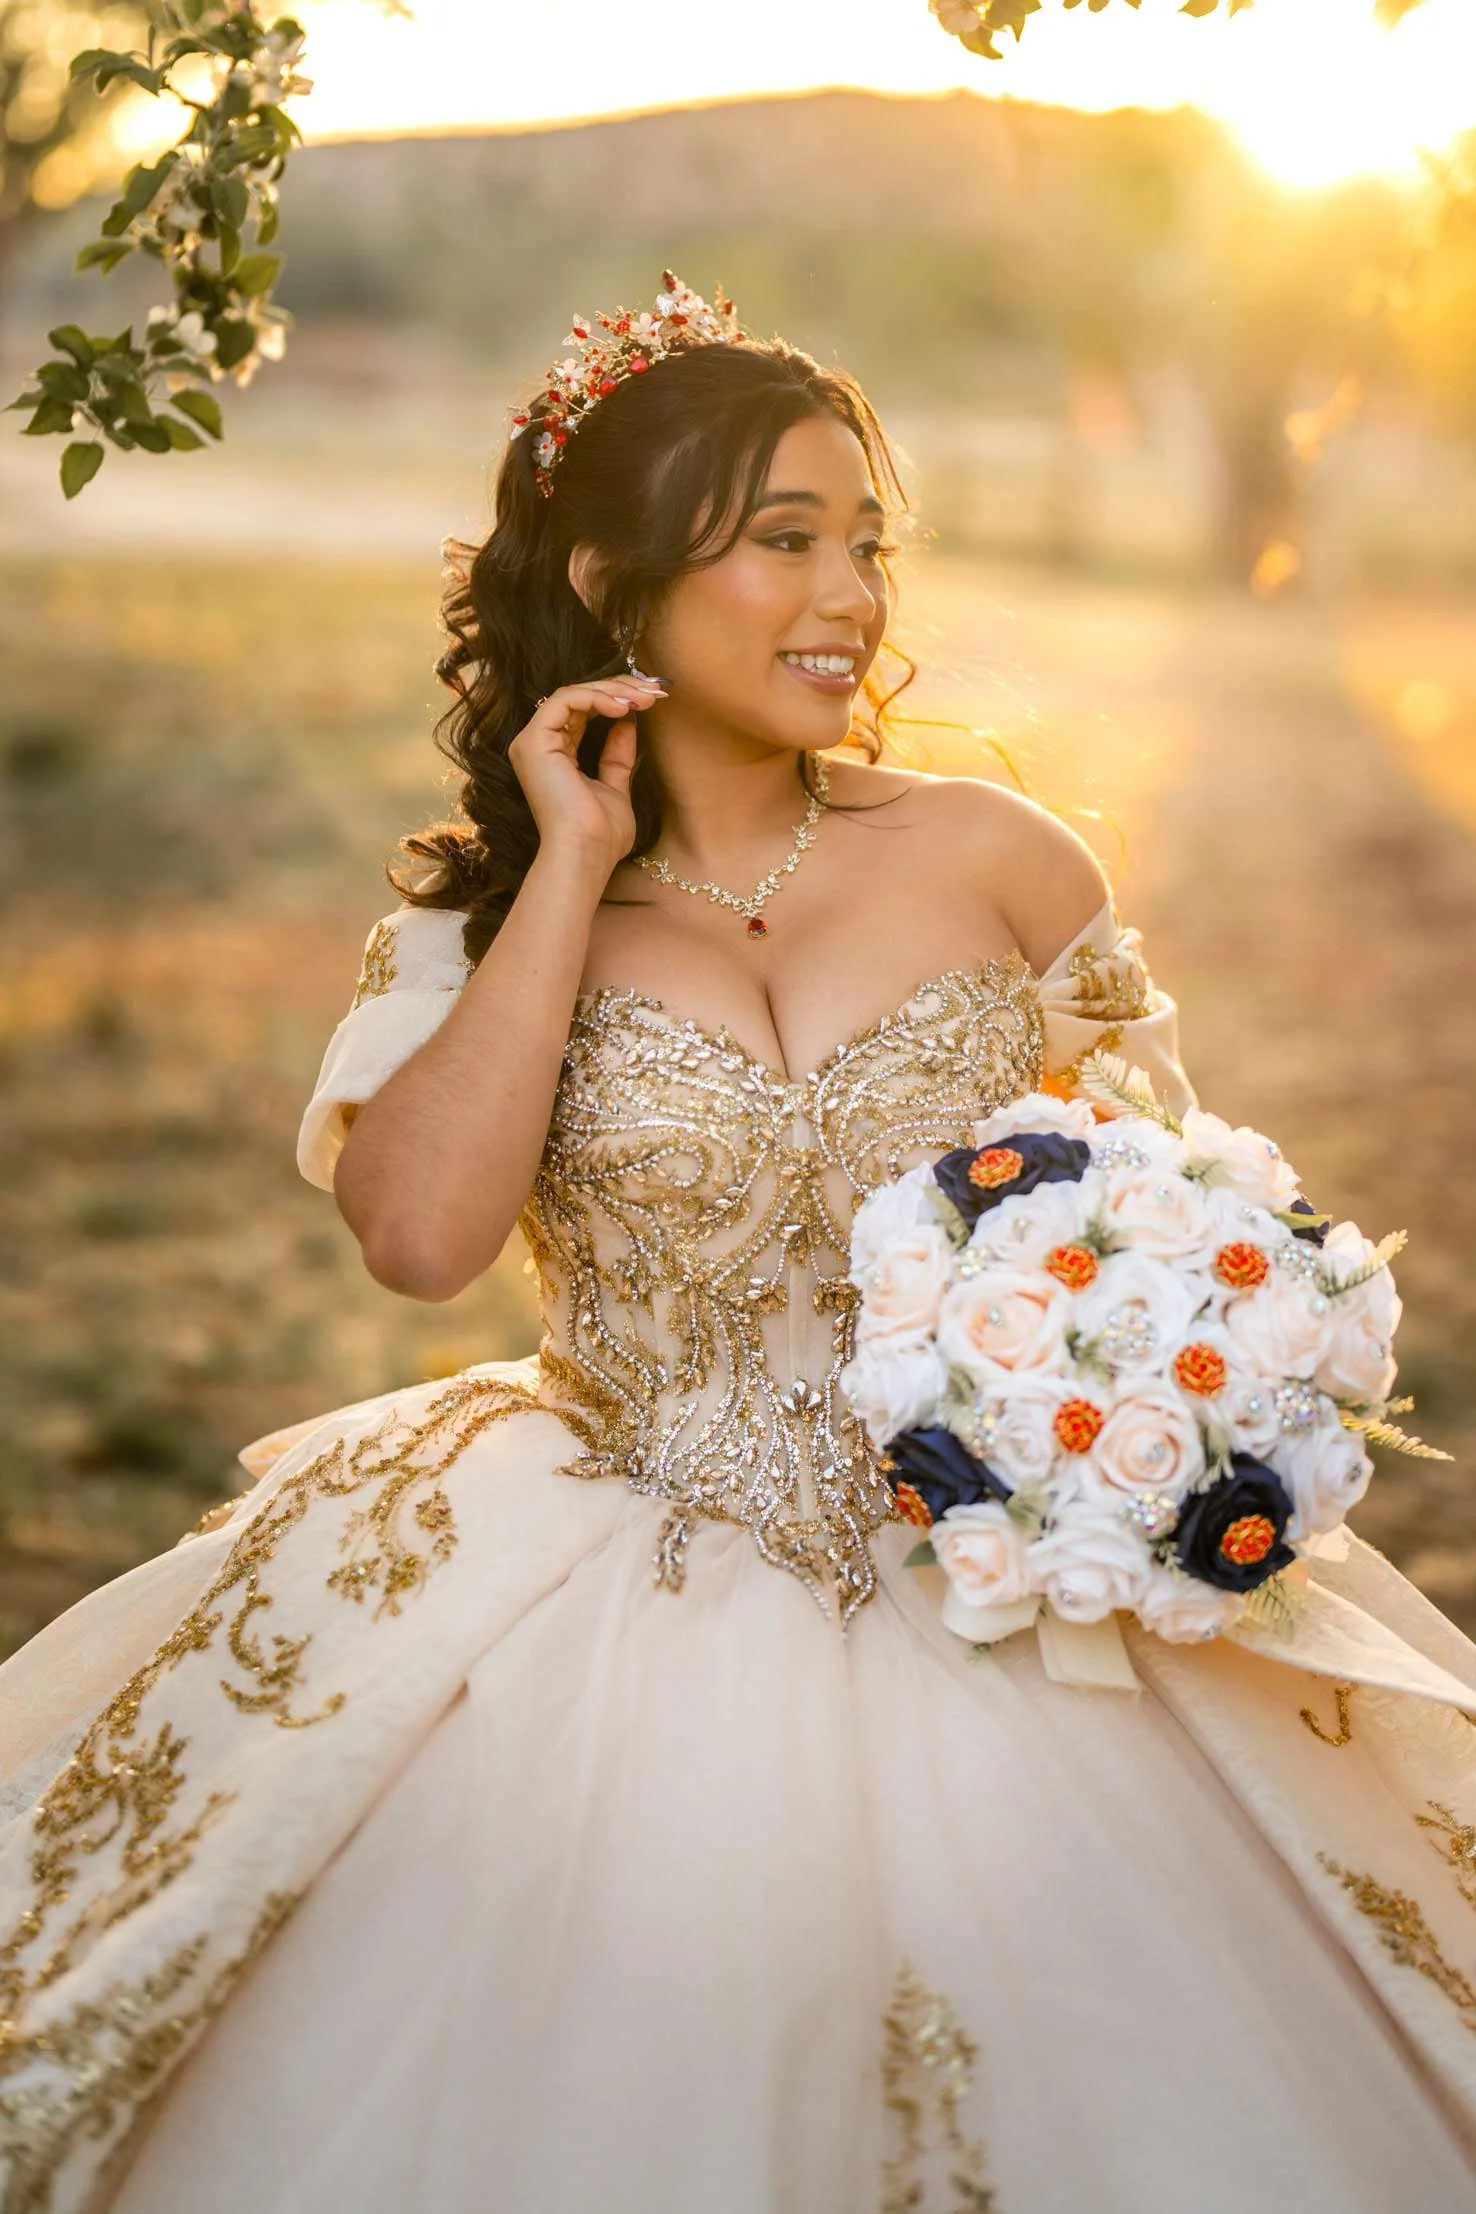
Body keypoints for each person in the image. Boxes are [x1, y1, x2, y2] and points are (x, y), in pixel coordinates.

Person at [4, 273, 1476, 2214]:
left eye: (869, 539)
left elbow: (1178, 1226)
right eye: (786, 541)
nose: (853, 594)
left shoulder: (1005, 861)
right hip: (617, 1556)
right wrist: (571, 879)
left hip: (1006, 1566)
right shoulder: (471, 931)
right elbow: (426, 1239)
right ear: (617, 586)